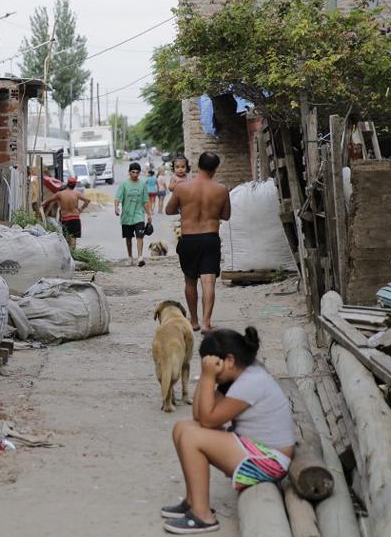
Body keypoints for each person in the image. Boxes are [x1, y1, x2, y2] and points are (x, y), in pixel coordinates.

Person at [162, 327, 295, 534]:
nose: (210, 369)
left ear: (229, 361)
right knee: (182, 428)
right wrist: (209, 377)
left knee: (191, 437)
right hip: (255, 450)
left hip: (270, 461)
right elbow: (199, 415)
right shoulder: (240, 375)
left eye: (212, 363)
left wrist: (207, 378)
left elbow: (207, 421)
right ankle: (192, 501)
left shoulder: (251, 382)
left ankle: (202, 515)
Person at [165, 152, 230, 332]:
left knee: (190, 281)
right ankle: (206, 323)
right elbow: (226, 215)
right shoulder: (221, 189)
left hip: (189, 239)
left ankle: (193, 321)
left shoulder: (182, 188)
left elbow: (169, 210)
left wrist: (185, 208)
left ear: (197, 165)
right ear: (215, 169)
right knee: (208, 282)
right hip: (210, 237)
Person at [114, 162, 152, 267]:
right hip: (126, 216)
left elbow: (145, 201)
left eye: (137, 172)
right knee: (128, 238)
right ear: (129, 172)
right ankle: (130, 257)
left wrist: (149, 214)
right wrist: (116, 207)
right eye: (133, 172)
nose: (135, 174)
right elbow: (117, 198)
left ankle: (140, 258)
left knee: (140, 236)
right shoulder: (124, 184)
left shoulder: (142, 184)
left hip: (139, 215)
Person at [42, 176, 91, 250]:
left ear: (67, 184)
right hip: (75, 218)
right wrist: (80, 209)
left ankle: (69, 254)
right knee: (73, 239)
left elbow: (48, 201)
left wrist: (41, 206)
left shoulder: (60, 194)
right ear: (74, 185)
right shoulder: (76, 194)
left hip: (65, 219)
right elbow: (87, 200)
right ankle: (73, 254)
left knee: (66, 238)